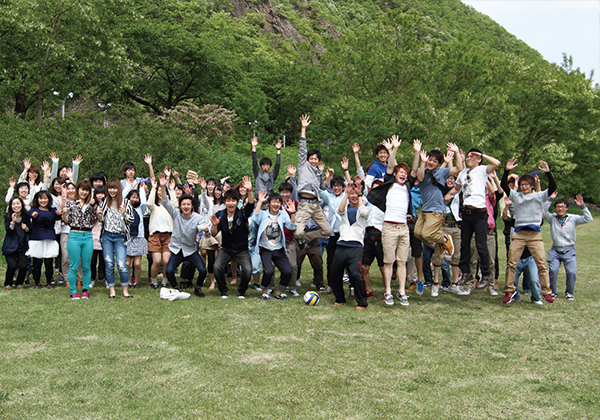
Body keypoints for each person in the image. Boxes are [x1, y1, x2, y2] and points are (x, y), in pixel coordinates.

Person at [445, 149, 501, 295]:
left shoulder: (483, 170)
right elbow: (457, 189)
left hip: (480, 214)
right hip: (467, 214)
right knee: (464, 245)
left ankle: (487, 274)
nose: (469, 158)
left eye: (472, 156)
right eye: (468, 156)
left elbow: (497, 163)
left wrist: (482, 155)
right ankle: (466, 273)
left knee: (481, 245)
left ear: (478, 159)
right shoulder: (463, 173)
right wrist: (448, 194)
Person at [500, 158, 556, 304]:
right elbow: (503, 186)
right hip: (519, 234)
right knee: (511, 263)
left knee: (541, 263)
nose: (524, 187)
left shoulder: (539, 196)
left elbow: (552, 187)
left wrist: (548, 173)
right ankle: (509, 290)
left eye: (526, 184)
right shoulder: (516, 196)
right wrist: (507, 171)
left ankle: (546, 292)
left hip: (535, 235)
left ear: (532, 186)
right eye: (522, 184)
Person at [367, 136, 413, 306]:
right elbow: (392, 164)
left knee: (402, 261)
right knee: (388, 261)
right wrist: (394, 148)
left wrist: (416, 154)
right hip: (389, 227)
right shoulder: (389, 183)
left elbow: (414, 171)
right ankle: (388, 292)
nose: (403, 174)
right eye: (400, 172)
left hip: (403, 228)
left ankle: (401, 291)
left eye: (405, 173)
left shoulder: (406, 186)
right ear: (394, 174)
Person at [160, 172, 210, 296]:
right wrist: (162, 186)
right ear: (180, 206)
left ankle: (197, 288)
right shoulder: (175, 213)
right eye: (184, 204)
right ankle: (176, 288)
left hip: (191, 249)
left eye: (188, 204)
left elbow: (207, 234)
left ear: (192, 206)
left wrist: (207, 232)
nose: (186, 207)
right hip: (177, 249)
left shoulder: (198, 218)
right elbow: (165, 202)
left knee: (203, 270)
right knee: (170, 270)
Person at [414, 140, 463, 261]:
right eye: (430, 159)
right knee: (417, 234)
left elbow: (459, 168)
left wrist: (456, 152)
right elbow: (419, 178)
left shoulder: (443, 172)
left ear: (438, 163)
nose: (431, 162)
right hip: (424, 209)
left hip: (436, 210)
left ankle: (444, 239)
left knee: (427, 234)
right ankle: (441, 242)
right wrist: (423, 162)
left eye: (434, 161)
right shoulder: (424, 171)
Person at [210, 177, 255, 298]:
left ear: (237, 202)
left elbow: (250, 205)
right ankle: (223, 291)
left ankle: (241, 291)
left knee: (247, 270)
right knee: (217, 267)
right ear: (224, 202)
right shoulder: (220, 215)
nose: (231, 203)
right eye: (228, 200)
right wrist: (214, 226)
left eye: (233, 200)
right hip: (226, 248)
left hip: (241, 248)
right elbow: (214, 233)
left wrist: (249, 190)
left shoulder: (242, 213)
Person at [544, 194, 593, 300]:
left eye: (562, 206)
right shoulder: (552, 218)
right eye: (558, 206)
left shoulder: (572, 218)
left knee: (571, 272)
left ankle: (569, 292)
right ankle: (552, 292)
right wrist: (550, 199)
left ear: (566, 208)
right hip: (555, 250)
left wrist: (582, 206)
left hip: (569, 250)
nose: (560, 209)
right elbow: (543, 210)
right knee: (553, 270)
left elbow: (589, 218)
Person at [330, 179, 370, 309]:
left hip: (356, 246)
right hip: (342, 244)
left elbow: (364, 212)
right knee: (335, 273)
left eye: (355, 194)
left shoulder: (364, 209)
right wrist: (346, 193)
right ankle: (339, 298)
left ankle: (362, 302)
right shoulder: (345, 208)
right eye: (351, 194)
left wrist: (359, 195)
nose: (353, 196)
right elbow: (340, 209)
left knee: (355, 273)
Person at [251, 190, 296, 300]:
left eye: (278, 202)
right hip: (265, 248)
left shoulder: (283, 214)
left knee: (288, 271)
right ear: (269, 204)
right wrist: (260, 202)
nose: (276, 204)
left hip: (278, 248)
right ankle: (265, 292)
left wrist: (293, 213)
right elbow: (254, 218)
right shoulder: (263, 214)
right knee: (269, 271)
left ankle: (279, 292)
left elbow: (291, 226)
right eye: (274, 202)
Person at [294, 114, 332, 245]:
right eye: (312, 158)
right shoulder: (303, 165)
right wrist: (303, 128)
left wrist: (329, 176)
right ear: (308, 159)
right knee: (298, 232)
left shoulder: (318, 171)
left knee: (327, 231)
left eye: (316, 159)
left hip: (315, 205)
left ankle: (306, 239)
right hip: (304, 205)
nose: (314, 161)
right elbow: (302, 149)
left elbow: (323, 187)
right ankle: (301, 238)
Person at [63, 180, 99, 300]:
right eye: (82, 189)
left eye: (86, 190)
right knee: (73, 265)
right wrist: (63, 214)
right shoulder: (70, 204)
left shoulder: (91, 204)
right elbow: (66, 221)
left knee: (86, 266)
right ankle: (73, 290)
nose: (84, 192)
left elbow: (95, 220)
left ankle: (85, 290)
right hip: (74, 235)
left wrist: (94, 208)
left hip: (87, 236)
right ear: (78, 190)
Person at [99, 178, 135, 298]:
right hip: (107, 236)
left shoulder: (126, 202)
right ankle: (112, 290)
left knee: (121, 265)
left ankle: (125, 290)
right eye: (110, 188)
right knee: (109, 263)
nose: (112, 190)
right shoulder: (104, 202)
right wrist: (99, 216)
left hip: (120, 237)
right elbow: (101, 220)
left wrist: (124, 213)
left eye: (114, 188)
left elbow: (131, 220)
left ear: (119, 189)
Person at [28, 191, 61, 289]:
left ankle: (49, 282)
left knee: (48, 262)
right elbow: (30, 215)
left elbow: (58, 217)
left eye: (45, 198)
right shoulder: (33, 210)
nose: (43, 201)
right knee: (37, 262)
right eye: (41, 198)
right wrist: (33, 215)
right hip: (36, 238)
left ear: (49, 199)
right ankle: (37, 282)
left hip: (50, 238)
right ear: (37, 200)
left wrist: (59, 213)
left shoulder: (53, 210)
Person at [3, 197, 31, 290]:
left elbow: (29, 231)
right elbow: (9, 231)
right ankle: (8, 284)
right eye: (14, 204)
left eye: (18, 203)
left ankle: (19, 283)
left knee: (23, 266)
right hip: (10, 246)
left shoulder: (26, 216)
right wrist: (13, 221)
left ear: (22, 205)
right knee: (12, 265)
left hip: (21, 246)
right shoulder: (7, 216)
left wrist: (26, 228)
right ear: (11, 206)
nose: (16, 206)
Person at [125, 188, 148, 288]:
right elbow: (121, 197)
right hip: (128, 238)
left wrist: (142, 189)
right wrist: (128, 186)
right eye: (132, 197)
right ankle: (129, 281)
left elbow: (144, 202)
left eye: (136, 197)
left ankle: (136, 282)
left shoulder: (140, 209)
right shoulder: (124, 208)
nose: (134, 199)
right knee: (127, 263)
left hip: (139, 238)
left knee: (137, 263)